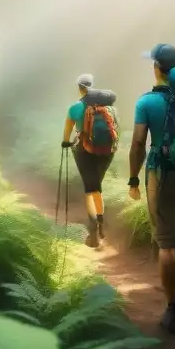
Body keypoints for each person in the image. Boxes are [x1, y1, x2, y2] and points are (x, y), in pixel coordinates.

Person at [127, 43, 175, 335]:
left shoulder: (147, 102)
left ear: (157, 68)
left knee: (166, 241)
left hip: (163, 175)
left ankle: (174, 311)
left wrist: (133, 178)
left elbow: (137, 144)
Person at [62, 73, 117, 248]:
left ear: (80, 88)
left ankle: (93, 224)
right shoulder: (110, 109)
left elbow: (67, 133)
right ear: (92, 86)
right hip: (107, 151)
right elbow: (116, 130)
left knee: (90, 188)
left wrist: (66, 143)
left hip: (85, 151)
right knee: (97, 185)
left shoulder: (75, 108)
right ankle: (101, 222)